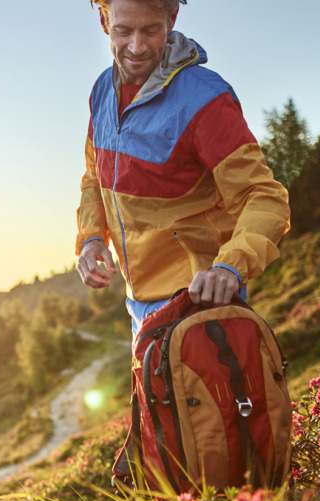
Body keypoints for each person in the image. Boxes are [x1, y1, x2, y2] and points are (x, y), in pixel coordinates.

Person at [74, 0, 290, 341]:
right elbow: (95, 178)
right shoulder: (102, 91)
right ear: (104, 21)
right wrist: (91, 238)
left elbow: (264, 196)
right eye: (123, 30)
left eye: (151, 30)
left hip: (198, 302)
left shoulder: (205, 99)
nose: (137, 47)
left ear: (172, 18)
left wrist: (229, 267)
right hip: (138, 304)